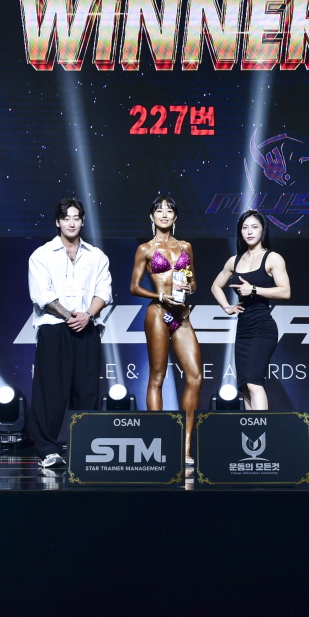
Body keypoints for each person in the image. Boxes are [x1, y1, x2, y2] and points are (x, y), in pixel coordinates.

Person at [26, 198, 111, 469]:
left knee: (87, 392)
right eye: (66, 218)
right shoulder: (41, 255)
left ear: (82, 221)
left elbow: (104, 292)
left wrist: (88, 315)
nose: (71, 223)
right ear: (58, 222)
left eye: (76, 218)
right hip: (54, 329)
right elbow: (42, 295)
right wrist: (69, 315)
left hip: (88, 328)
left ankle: (85, 447)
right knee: (50, 393)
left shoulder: (97, 256)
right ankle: (47, 450)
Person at [128, 195, 200, 459]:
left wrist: (187, 286)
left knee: (195, 376)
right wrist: (159, 296)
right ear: (152, 217)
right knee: (158, 377)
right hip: (158, 312)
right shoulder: (145, 249)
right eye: (159, 210)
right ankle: (157, 445)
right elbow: (134, 287)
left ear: (175, 216)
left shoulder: (186, 246)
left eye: (169, 210)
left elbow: (194, 284)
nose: (164, 214)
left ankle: (185, 447)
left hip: (181, 314)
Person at [208, 210, 291, 410]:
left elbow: (285, 291)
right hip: (243, 330)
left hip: (263, 328)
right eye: (245, 228)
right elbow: (215, 286)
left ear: (263, 230)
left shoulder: (273, 258)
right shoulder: (234, 261)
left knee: (254, 383)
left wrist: (253, 289)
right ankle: (250, 427)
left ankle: (261, 428)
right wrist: (227, 307)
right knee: (245, 387)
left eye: (254, 227)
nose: (249, 232)